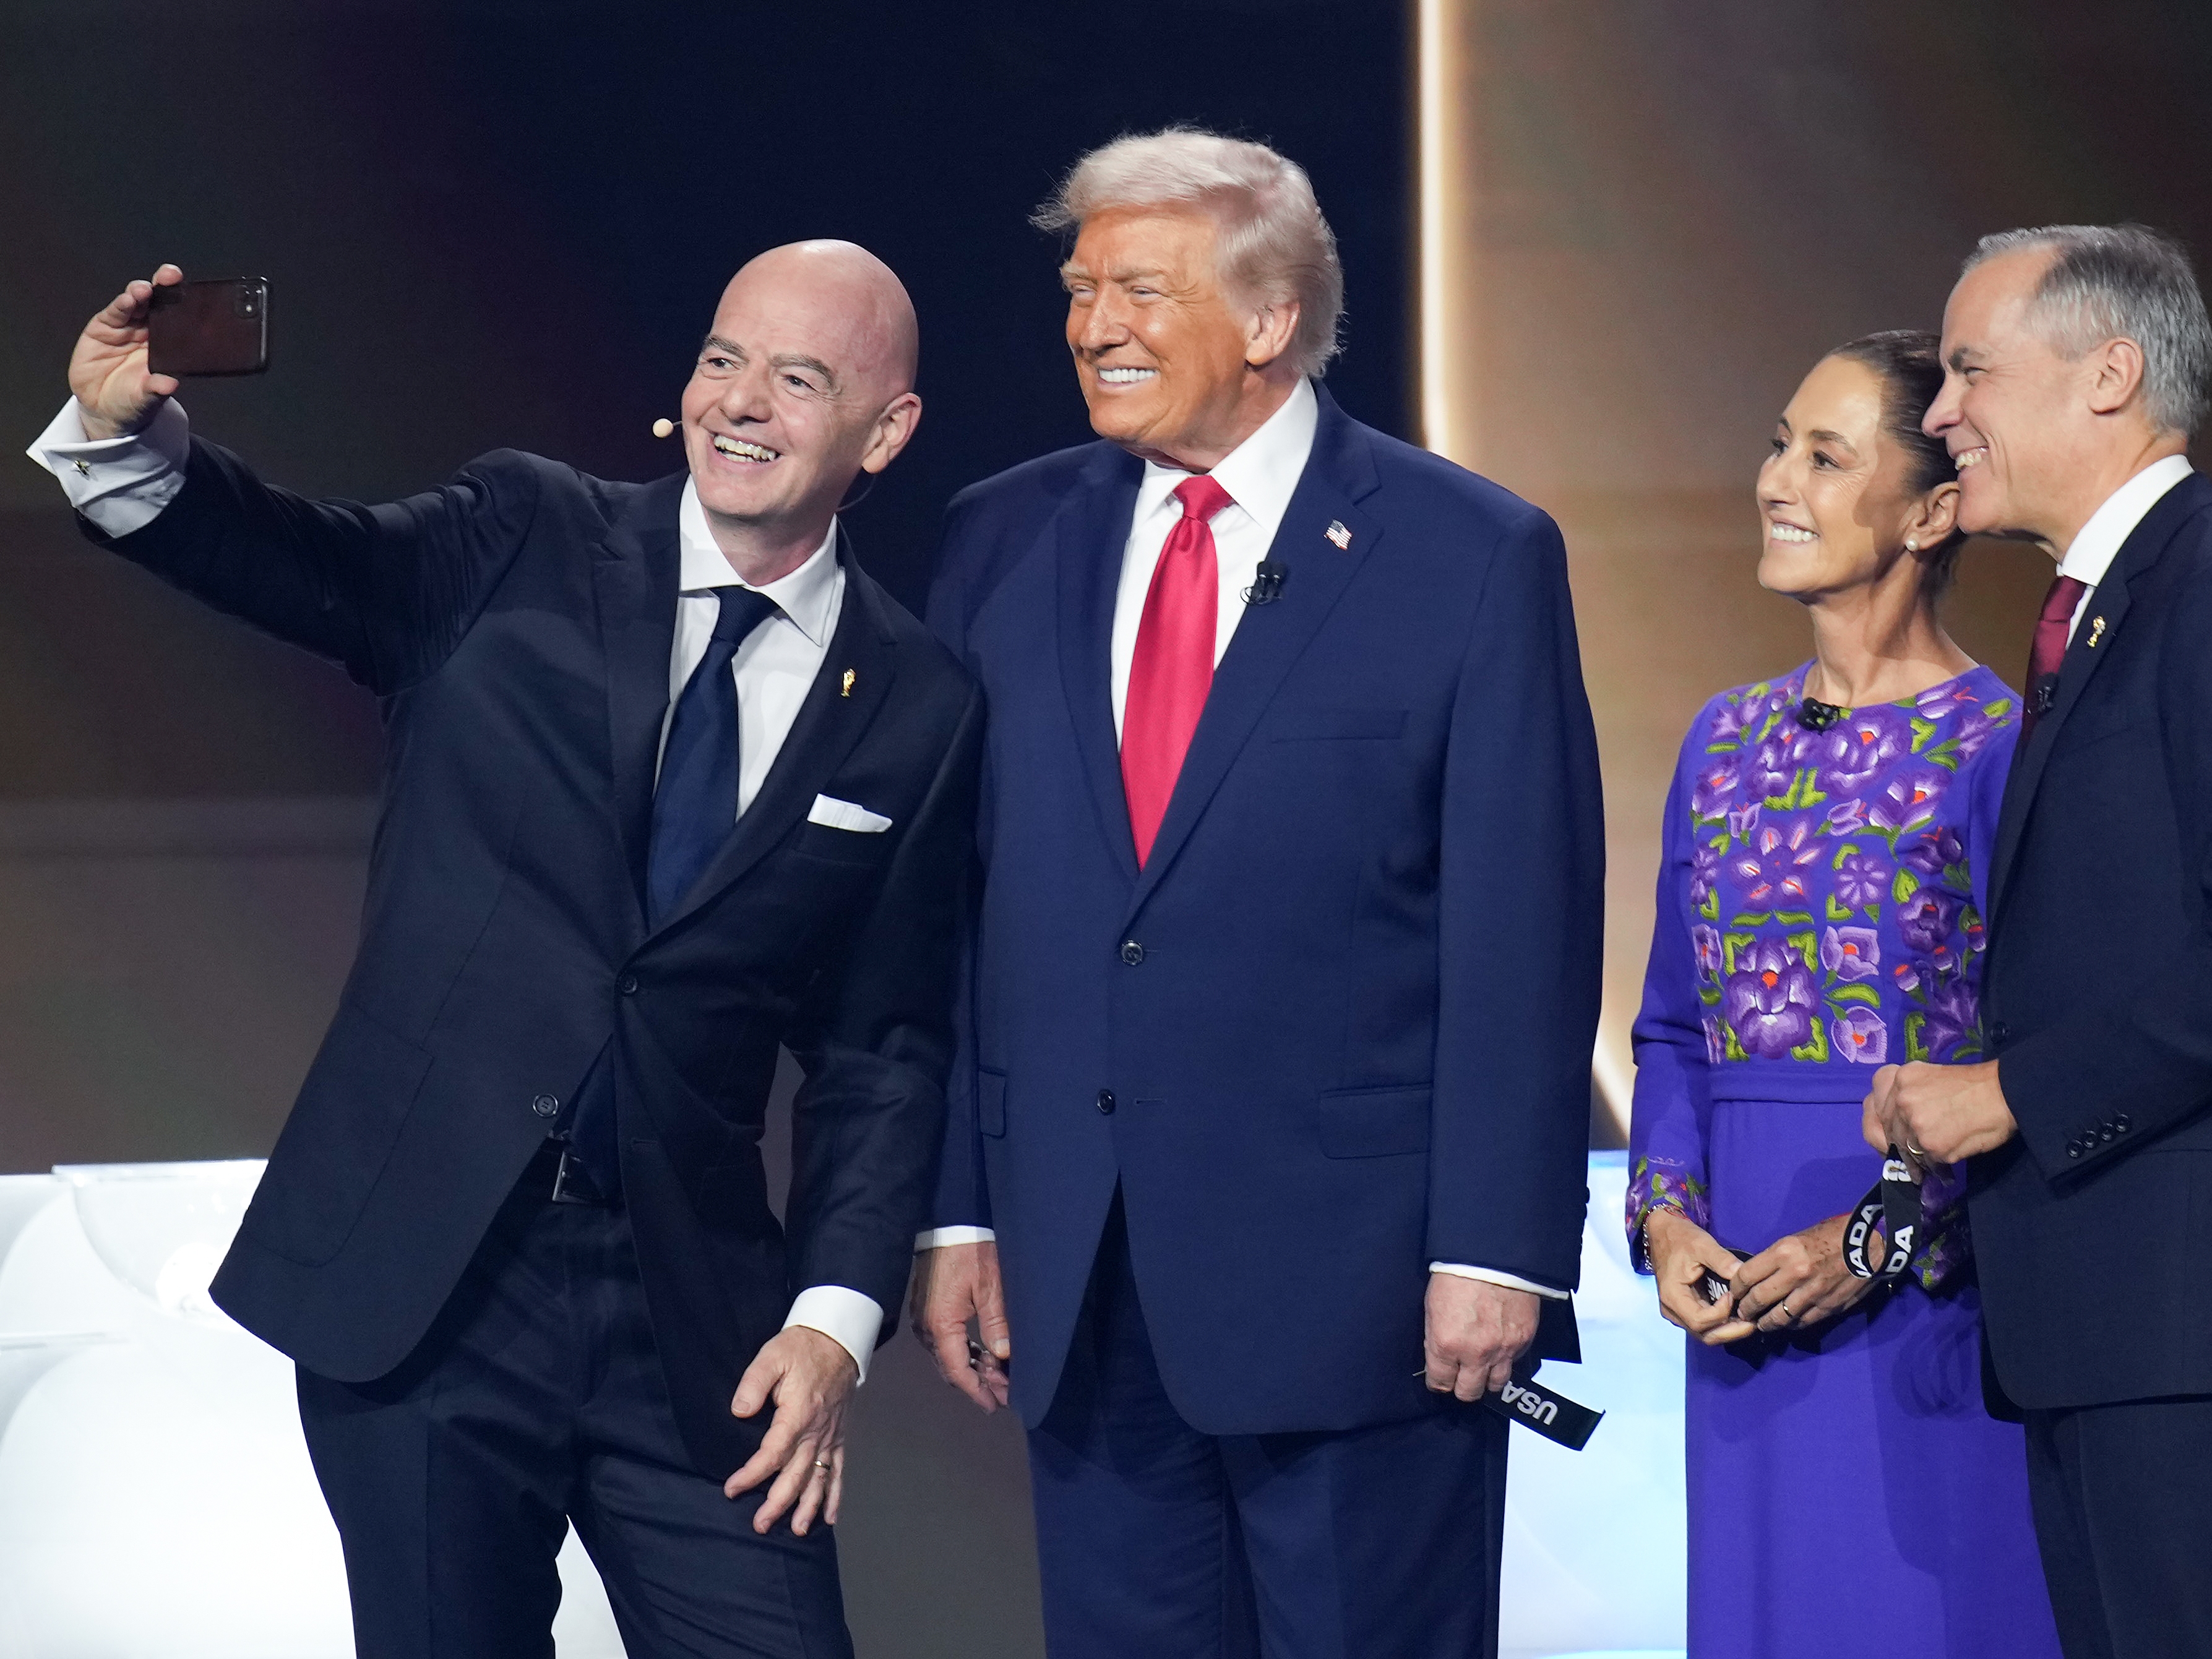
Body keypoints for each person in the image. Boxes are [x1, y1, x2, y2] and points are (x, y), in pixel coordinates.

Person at [27, 245, 980, 1658]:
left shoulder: (916, 698)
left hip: (699, 1323)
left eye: (800, 378)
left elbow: (881, 1047)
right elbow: (302, 560)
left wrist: (834, 1322)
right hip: (429, 1293)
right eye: (724, 359)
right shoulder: (524, 534)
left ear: (884, 430)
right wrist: (127, 436)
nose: (742, 405)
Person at [909, 129, 1604, 1658]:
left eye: (1140, 291)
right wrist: (959, 1204)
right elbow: (953, 913)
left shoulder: (1469, 554)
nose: (1095, 325)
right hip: (1082, 1285)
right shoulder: (1001, 539)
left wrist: (1494, 1250)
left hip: (1366, 1299)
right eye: (1083, 290)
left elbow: (1524, 936)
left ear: (1272, 318)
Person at [1628, 330, 2061, 1657]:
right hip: (1743, 1300)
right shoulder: (1723, 737)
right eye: (1777, 444)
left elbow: (2031, 1053)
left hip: (1930, 1300)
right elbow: (1672, 1028)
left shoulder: (1999, 750)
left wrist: (1872, 1239)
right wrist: (1665, 1220)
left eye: (1826, 455)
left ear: (1933, 511)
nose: (1777, 480)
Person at [1866, 225, 2212, 1659]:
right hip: (2112, 1329)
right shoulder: (2099, 610)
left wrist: (2014, 1092)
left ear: (2110, 376)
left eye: (1969, 371)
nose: (1941, 414)